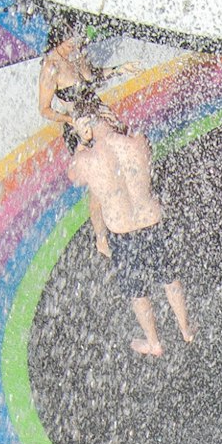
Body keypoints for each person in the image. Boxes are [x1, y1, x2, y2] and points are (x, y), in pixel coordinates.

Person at [57, 94, 190, 358]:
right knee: (169, 277)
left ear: (85, 125)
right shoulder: (138, 142)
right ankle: (186, 329)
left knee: (136, 290)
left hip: (122, 231)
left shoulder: (86, 161)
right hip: (152, 220)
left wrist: (83, 144)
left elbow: (74, 178)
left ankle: (154, 342)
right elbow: (142, 159)